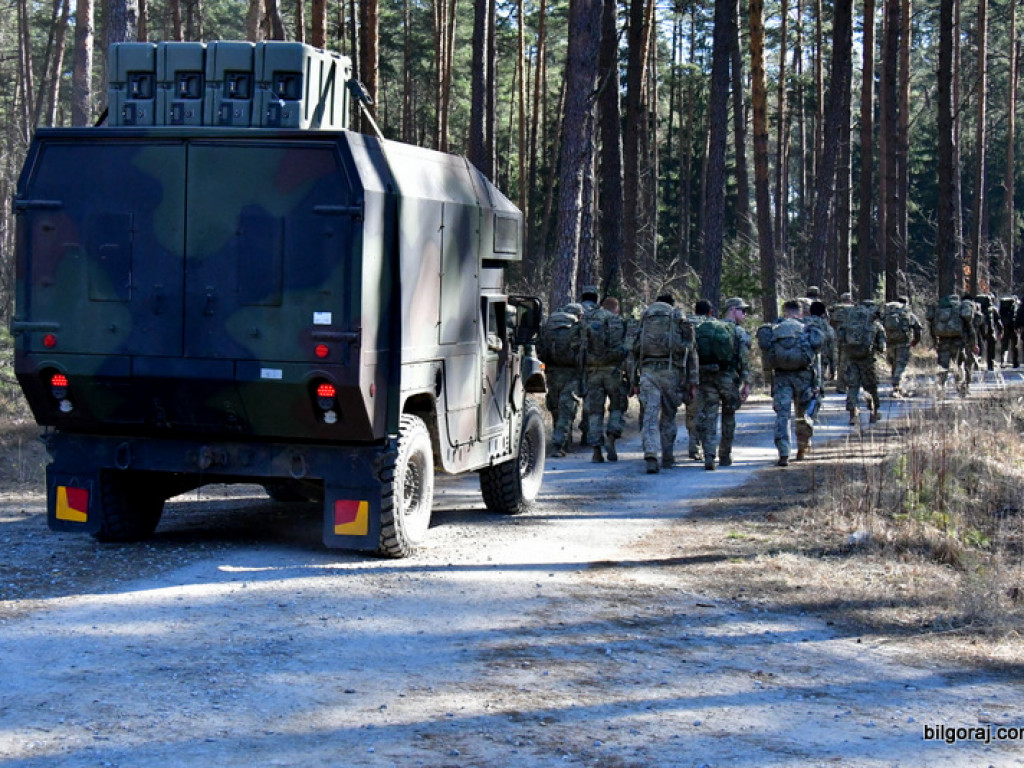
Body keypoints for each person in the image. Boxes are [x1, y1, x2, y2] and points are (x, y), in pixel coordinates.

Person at [632, 293, 698, 474]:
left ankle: (651, 454)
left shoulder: (645, 316)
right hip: (671, 372)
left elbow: (634, 349)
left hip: (647, 371)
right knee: (669, 415)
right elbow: (690, 350)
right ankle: (667, 456)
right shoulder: (677, 316)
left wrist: (633, 380)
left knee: (650, 415)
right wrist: (692, 381)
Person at [756, 300, 824, 466]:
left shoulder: (775, 328)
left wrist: (768, 379)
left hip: (781, 377)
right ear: (800, 313)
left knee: (782, 415)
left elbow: (767, 352)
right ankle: (802, 447)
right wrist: (818, 384)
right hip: (804, 376)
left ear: (784, 312)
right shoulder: (807, 328)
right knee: (803, 414)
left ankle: (784, 452)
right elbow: (816, 360)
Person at [694, 297, 751, 470]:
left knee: (709, 415)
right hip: (728, 378)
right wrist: (746, 382)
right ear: (732, 310)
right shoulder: (738, 332)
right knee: (729, 415)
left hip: (707, 376)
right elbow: (744, 358)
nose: (745, 314)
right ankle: (725, 455)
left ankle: (709, 455)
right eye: (742, 310)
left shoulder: (709, 328)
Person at [580, 295, 628, 462]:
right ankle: (612, 438)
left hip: (592, 372)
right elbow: (624, 348)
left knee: (595, 412)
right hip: (613, 372)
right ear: (615, 308)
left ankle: (596, 451)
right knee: (617, 407)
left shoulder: (588, 319)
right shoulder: (617, 321)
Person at [536, 303, 584, 456]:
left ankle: (564, 441)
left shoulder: (549, 325)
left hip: (551, 371)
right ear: (579, 315)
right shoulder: (577, 326)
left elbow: (539, 347)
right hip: (571, 372)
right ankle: (559, 444)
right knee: (567, 409)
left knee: (556, 407)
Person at [841, 299, 886, 424]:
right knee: (870, 386)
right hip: (868, 360)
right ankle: (873, 412)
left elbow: (841, 338)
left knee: (852, 386)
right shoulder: (875, 325)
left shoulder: (849, 322)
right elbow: (882, 347)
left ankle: (853, 413)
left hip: (851, 358)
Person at [927, 293, 979, 396]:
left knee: (942, 367)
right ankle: (962, 389)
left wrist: (935, 342)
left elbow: (932, 327)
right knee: (959, 365)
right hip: (958, 343)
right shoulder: (960, 309)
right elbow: (970, 328)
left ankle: (939, 389)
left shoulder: (940, 310)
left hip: (943, 342)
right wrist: (973, 344)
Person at [685, 299, 713, 462]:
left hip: (688, 373)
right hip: (708, 372)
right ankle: (704, 445)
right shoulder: (711, 324)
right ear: (710, 312)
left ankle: (693, 446)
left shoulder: (687, 323)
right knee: (707, 410)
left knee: (692, 410)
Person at [880, 296, 923, 396]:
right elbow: (918, 328)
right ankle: (897, 385)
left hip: (889, 343)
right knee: (901, 365)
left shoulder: (886, 314)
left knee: (894, 365)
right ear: (906, 303)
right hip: (903, 343)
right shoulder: (907, 314)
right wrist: (915, 342)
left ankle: (895, 386)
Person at [828, 292, 855, 393]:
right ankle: (842, 386)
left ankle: (835, 380)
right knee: (845, 363)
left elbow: (830, 322)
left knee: (836, 361)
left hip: (835, 338)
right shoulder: (853, 310)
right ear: (850, 300)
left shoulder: (834, 309)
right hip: (848, 339)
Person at [999, 295, 1020, 368]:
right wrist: (1017, 327)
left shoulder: (1003, 307)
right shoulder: (1014, 306)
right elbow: (1016, 317)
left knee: (1004, 346)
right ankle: (1015, 362)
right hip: (1013, 328)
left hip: (1004, 327)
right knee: (1014, 346)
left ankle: (1003, 362)